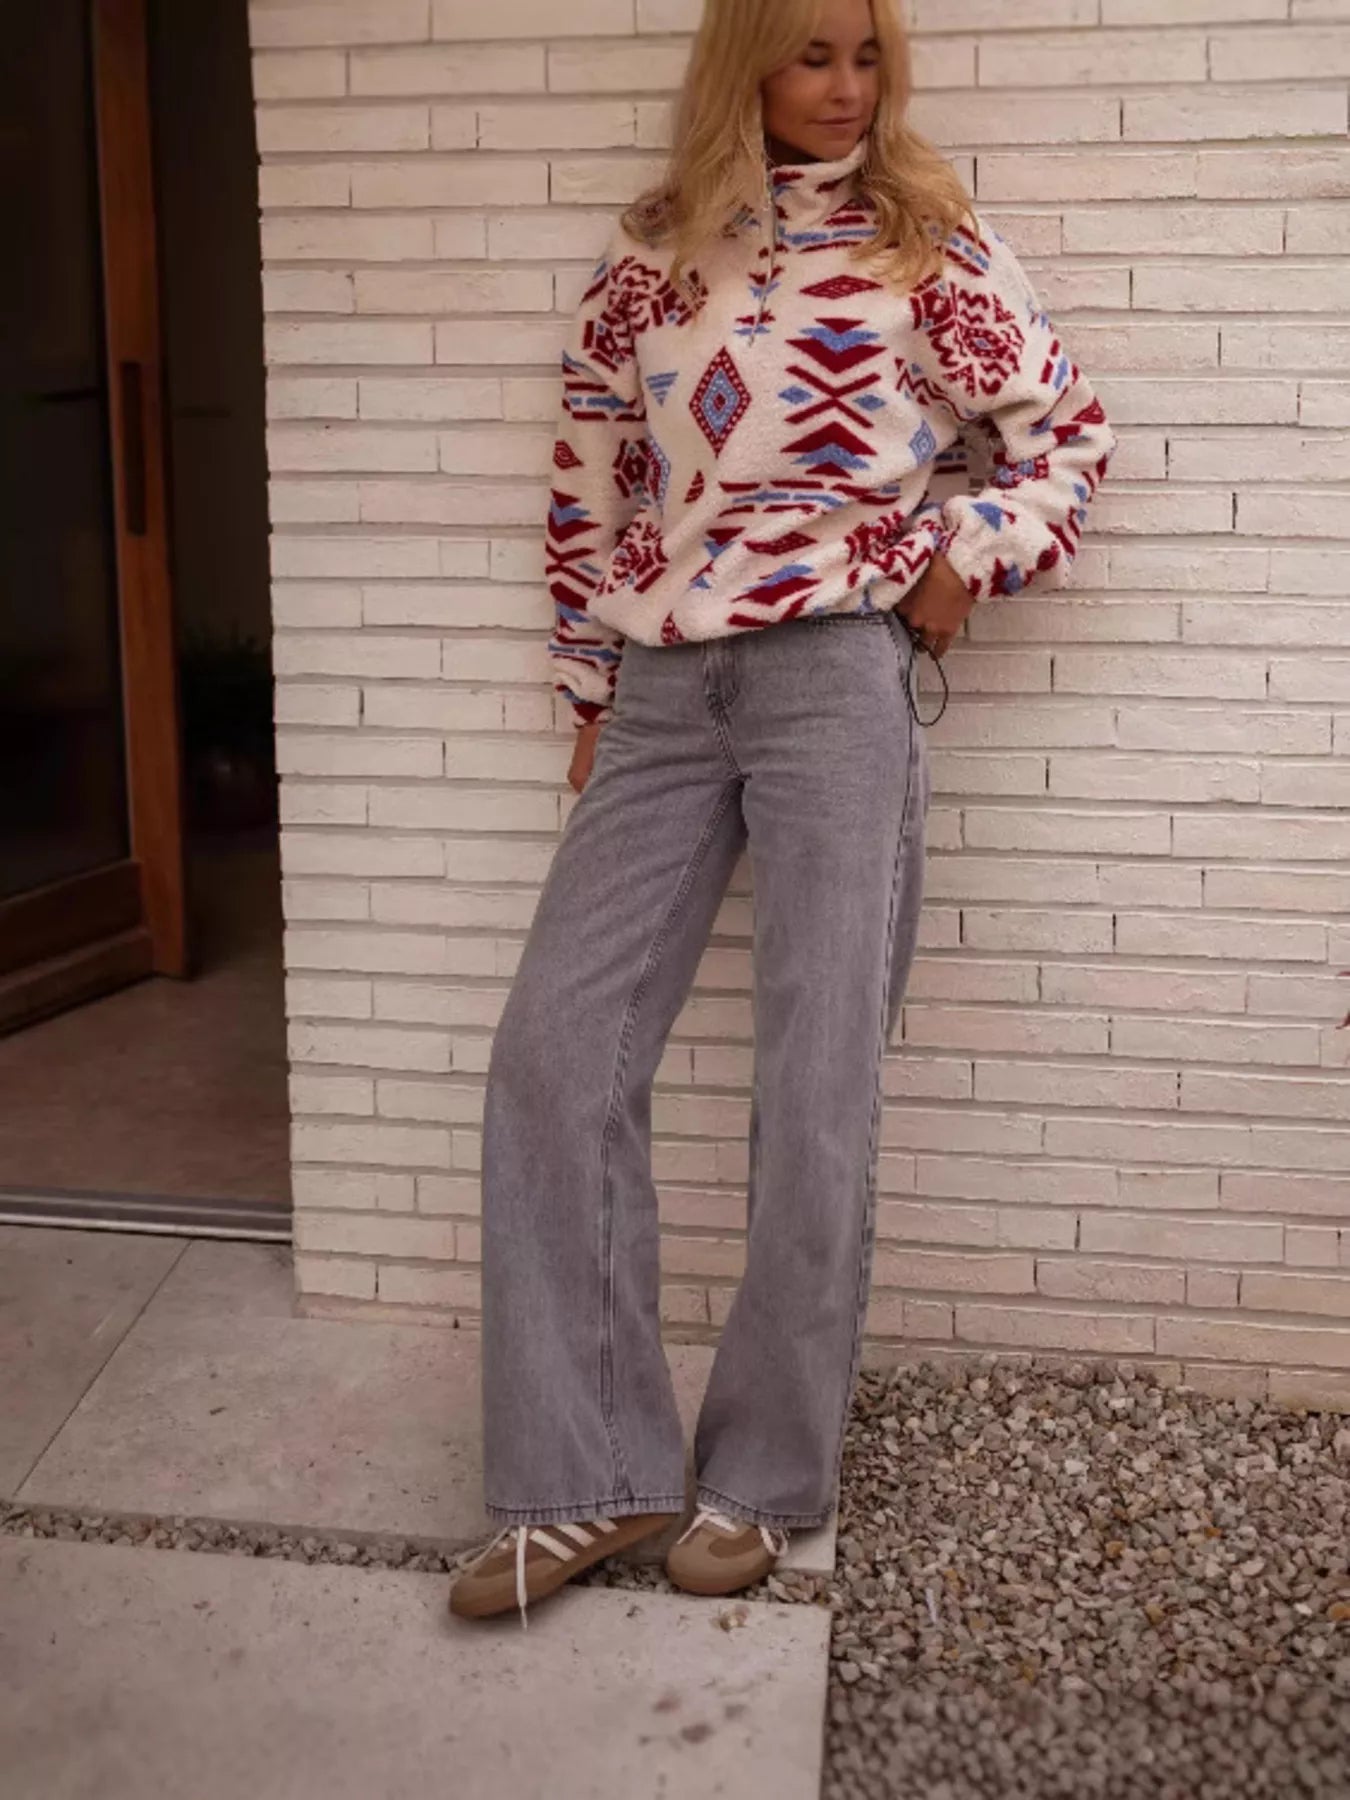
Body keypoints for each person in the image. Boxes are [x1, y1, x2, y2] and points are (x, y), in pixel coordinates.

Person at [449, 0, 1114, 1625]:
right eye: (811, 54)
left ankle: (762, 1474)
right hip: (664, 689)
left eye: (865, 55)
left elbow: (1062, 438)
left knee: (813, 1087)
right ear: (742, 60)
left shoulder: (923, 245)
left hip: (833, 677)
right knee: (554, 1052)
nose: (844, 86)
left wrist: (960, 559)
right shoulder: (653, 255)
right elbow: (590, 478)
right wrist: (588, 691)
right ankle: (587, 1475)